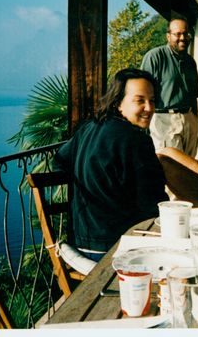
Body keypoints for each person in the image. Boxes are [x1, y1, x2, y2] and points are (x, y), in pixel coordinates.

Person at [53, 68, 169, 261]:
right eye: (139, 100)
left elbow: (59, 162)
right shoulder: (136, 140)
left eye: (152, 100)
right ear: (118, 104)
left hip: (79, 244)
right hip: (119, 247)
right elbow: (153, 203)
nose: (149, 108)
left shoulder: (88, 128)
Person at [140, 17, 198, 157]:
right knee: (171, 169)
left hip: (189, 120)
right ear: (168, 36)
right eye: (177, 34)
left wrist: (195, 121)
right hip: (165, 120)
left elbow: (194, 96)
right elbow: (143, 93)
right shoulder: (155, 57)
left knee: (189, 167)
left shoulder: (191, 62)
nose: (183, 38)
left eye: (186, 34)